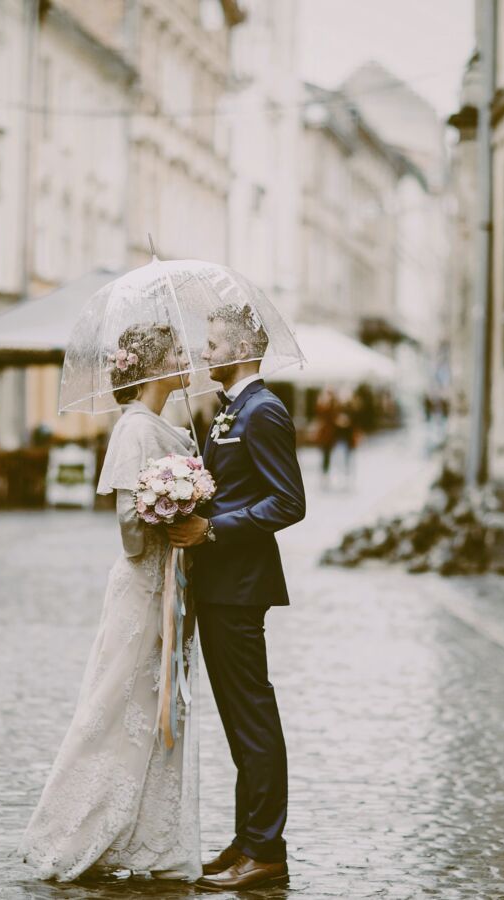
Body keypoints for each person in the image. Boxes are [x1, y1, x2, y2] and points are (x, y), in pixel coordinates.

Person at [21, 323, 202, 883]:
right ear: (152, 367)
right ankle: (76, 831)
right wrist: (171, 516)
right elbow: (127, 527)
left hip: (171, 584)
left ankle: (148, 837)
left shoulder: (168, 426)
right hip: (143, 587)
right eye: (176, 353)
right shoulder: (134, 430)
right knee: (115, 707)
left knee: (158, 711)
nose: (185, 359)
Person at [168, 302, 306, 891]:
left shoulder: (265, 410)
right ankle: (247, 839)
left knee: (252, 719)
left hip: (241, 586)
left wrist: (214, 529)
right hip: (220, 583)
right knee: (238, 719)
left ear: (243, 351)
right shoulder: (233, 409)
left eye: (215, 345)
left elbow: (289, 502)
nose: (205, 353)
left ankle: (266, 849)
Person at [311, 388, 340, 485]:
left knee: (326, 455)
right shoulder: (326, 407)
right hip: (325, 435)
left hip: (328, 435)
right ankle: (324, 473)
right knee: (325, 455)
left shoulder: (331, 406)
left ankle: (325, 473)